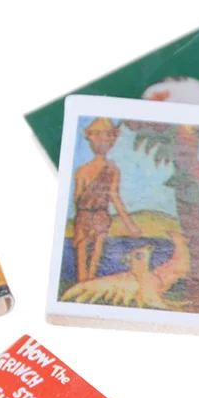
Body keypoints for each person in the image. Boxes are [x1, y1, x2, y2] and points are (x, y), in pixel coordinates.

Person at [72, 117, 139, 282]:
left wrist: (129, 224)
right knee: (92, 258)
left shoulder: (86, 170)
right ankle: (85, 283)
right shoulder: (109, 169)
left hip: (87, 215)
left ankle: (83, 284)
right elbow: (114, 197)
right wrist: (130, 225)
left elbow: (77, 198)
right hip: (96, 215)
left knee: (86, 256)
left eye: (107, 136)